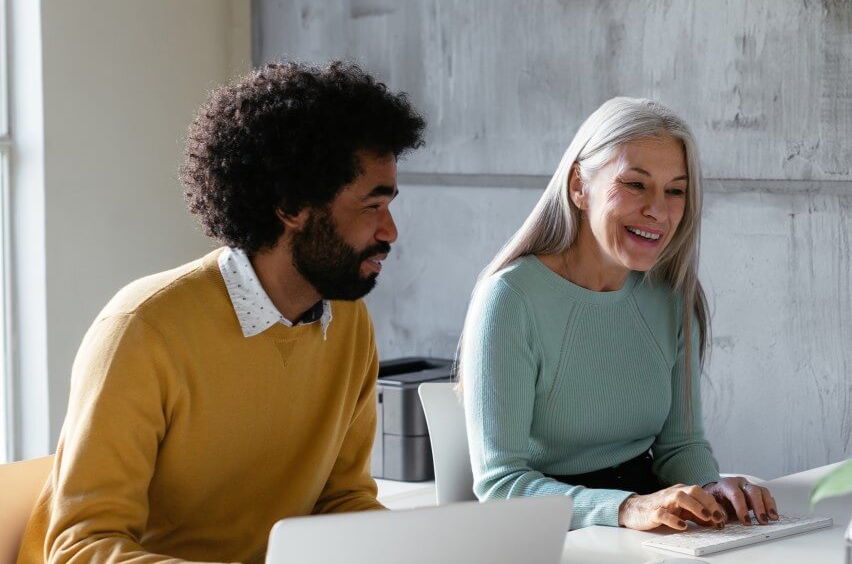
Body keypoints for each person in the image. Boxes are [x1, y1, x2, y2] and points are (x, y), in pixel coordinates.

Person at [18, 61, 425, 563]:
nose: (390, 231)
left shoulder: (348, 323)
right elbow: (80, 548)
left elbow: (341, 499)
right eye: (372, 206)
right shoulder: (142, 331)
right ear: (292, 206)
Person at [459, 97, 778, 531]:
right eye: (635, 184)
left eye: (675, 190)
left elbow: (681, 445)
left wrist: (709, 486)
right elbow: (501, 486)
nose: (659, 211)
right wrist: (626, 508)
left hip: (650, 528)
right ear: (578, 187)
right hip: (550, 536)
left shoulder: (673, 298)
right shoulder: (510, 299)